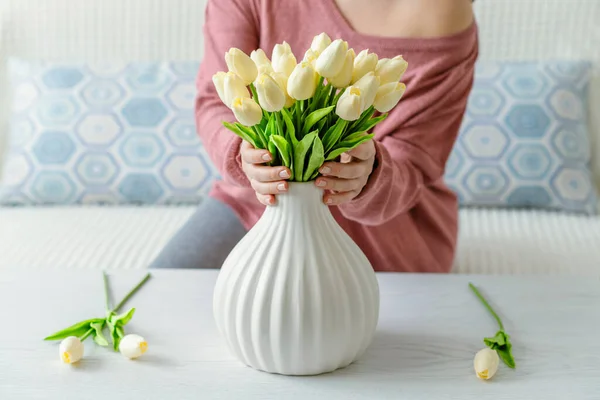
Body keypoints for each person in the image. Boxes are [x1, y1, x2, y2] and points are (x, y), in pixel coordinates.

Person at [150, 0, 478, 272]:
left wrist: (368, 174)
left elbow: (414, 160)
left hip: (388, 229)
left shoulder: (439, 10)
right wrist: (243, 154)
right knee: (155, 301)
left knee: (341, 336)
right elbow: (216, 99)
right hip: (260, 198)